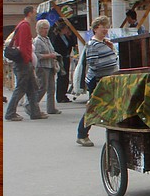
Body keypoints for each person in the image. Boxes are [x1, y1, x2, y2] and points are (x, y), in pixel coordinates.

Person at [76, 16, 119, 147]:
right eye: (103, 27)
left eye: (107, 27)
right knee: (93, 109)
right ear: (95, 29)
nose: (106, 30)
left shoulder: (104, 43)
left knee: (109, 107)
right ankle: (82, 134)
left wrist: (111, 50)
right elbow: (93, 64)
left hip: (106, 80)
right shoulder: (93, 45)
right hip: (98, 81)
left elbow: (114, 58)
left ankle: (113, 134)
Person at [5, 6, 48, 121]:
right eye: (34, 13)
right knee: (21, 88)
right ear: (29, 13)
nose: (36, 15)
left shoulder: (23, 25)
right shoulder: (24, 26)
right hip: (24, 62)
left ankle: (35, 112)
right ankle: (10, 113)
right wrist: (28, 60)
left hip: (24, 62)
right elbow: (24, 46)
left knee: (32, 88)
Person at [33, 19, 62, 115]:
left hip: (50, 66)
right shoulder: (37, 41)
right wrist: (49, 56)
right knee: (42, 87)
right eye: (44, 28)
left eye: (47, 28)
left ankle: (51, 108)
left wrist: (55, 55)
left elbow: (51, 50)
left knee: (51, 88)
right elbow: (37, 55)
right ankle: (31, 104)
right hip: (42, 66)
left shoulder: (47, 39)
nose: (46, 30)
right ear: (39, 29)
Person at [50, 20, 75, 103]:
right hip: (61, 58)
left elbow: (72, 44)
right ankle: (60, 96)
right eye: (65, 29)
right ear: (62, 29)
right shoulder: (57, 37)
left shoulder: (66, 37)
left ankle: (64, 94)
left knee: (66, 76)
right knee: (61, 76)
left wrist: (70, 35)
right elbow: (56, 47)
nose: (66, 30)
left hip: (67, 58)